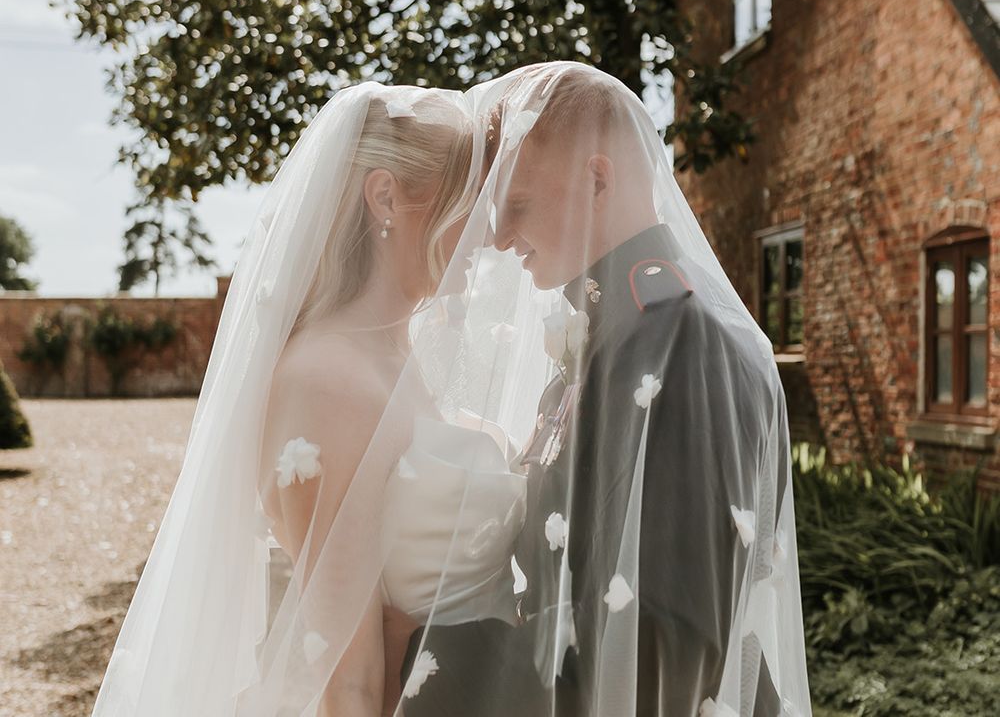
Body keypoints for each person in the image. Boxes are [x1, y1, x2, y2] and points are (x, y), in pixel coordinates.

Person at [89, 83, 530, 717]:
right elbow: (346, 674)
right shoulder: (327, 378)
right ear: (386, 197)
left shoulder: (397, 355)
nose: (488, 237)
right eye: (471, 203)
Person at [398, 63, 813, 716]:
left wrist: (428, 658)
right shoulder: (608, 334)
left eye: (519, 206)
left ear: (598, 180)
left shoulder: (690, 346)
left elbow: (669, 658)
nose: (500, 237)